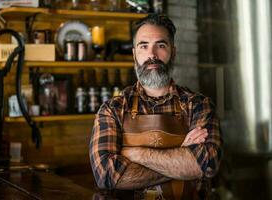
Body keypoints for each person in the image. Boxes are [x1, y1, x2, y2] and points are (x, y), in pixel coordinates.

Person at [89, 13, 222, 200]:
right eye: (144, 46)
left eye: (160, 45)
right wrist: (181, 157)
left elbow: (206, 165)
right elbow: (107, 176)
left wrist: (136, 154)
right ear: (134, 54)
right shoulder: (112, 109)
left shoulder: (199, 105)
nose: (152, 55)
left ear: (172, 52)